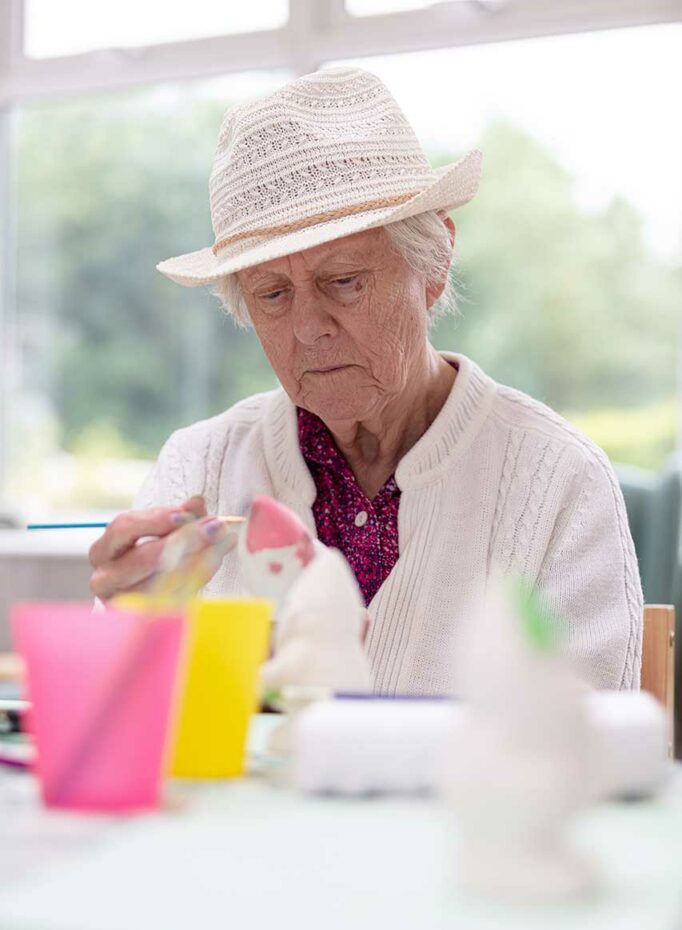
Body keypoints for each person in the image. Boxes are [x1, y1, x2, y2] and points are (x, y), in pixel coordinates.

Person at [89, 66, 642, 695]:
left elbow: (584, 753)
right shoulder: (199, 466)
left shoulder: (557, 478)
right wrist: (127, 625)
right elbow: (125, 724)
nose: (307, 329)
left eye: (344, 280)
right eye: (273, 294)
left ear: (433, 265)